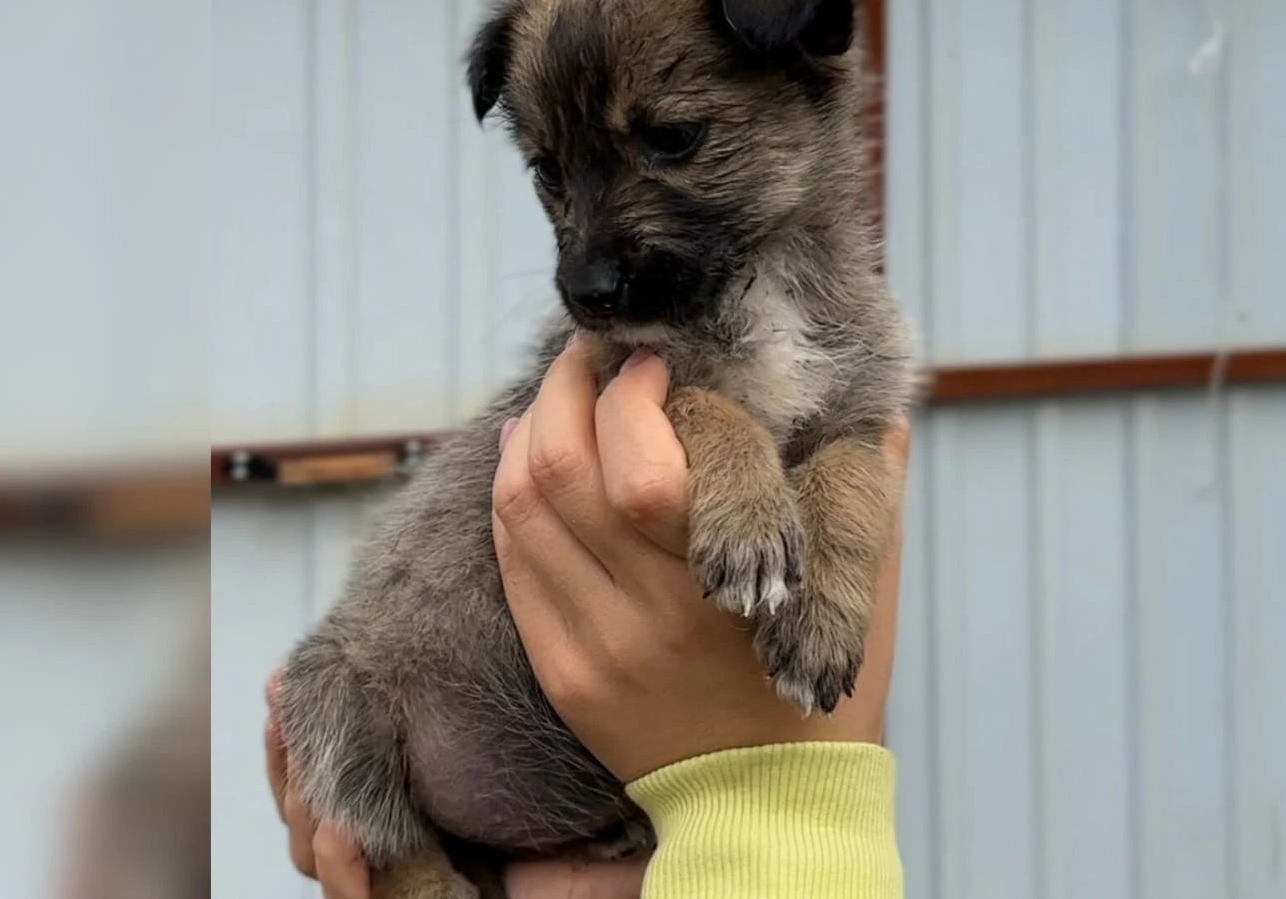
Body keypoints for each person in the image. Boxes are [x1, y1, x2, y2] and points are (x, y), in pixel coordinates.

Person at [264, 340, 911, 898]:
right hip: (455, 743)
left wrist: (753, 794)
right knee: (328, 685)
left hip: (633, 806)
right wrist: (774, 798)